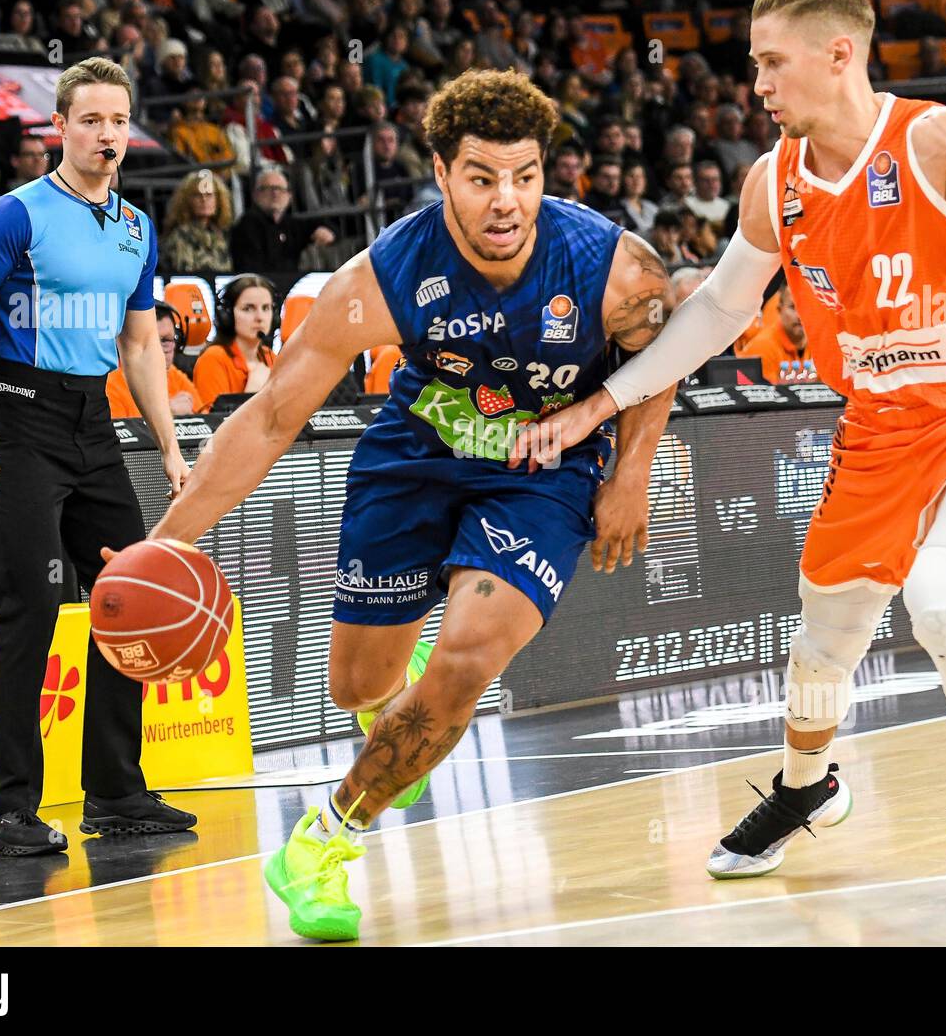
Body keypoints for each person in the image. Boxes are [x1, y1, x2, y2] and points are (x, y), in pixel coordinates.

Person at [513, 0, 946, 912]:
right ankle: (805, 787)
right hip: (876, 438)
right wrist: (596, 407)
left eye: (773, 63)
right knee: (820, 650)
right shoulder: (770, 184)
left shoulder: (937, 138)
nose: (759, 84)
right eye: (754, 65)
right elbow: (713, 316)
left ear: (838, 53)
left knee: (941, 603)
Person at [119, 69, 676, 941]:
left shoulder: (614, 267)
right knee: (360, 684)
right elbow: (268, 418)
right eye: (482, 177)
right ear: (440, 170)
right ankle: (406, 710)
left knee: (467, 658)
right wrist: (162, 550)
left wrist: (633, 468)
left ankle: (322, 840)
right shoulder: (382, 277)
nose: (506, 201)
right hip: (417, 450)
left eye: (525, 176)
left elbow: (661, 353)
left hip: (543, 468)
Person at [0, 56, 195, 858]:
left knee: (132, 598)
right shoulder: (16, 214)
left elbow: (141, 344)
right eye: (91, 120)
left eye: (118, 121)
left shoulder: (138, 227)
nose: (107, 134)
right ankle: (12, 810)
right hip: (19, 420)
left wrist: (170, 447)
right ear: (61, 128)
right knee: (32, 609)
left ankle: (115, 792)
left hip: (92, 423)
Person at [191, 273, 278, 411]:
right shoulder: (213, 359)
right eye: (248, 308)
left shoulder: (270, 357)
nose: (260, 317)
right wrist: (252, 393)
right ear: (227, 315)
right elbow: (213, 425)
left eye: (266, 308)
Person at [106, 304, 201, 417]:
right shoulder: (111, 385)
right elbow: (120, 432)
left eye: (170, 339)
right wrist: (168, 413)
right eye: (156, 340)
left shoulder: (175, 376)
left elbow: (208, 421)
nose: (166, 348)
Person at [160, 170, 233, 272]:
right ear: (186, 200)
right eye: (197, 195)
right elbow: (185, 272)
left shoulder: (223, 234)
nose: (204, 199)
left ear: (218, 199)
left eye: (209, 194)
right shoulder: (179, 235)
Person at [738, 282, 806, 382]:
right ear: (779, 310)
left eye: (806, 307)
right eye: (793, 307)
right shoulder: (761, 348)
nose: (800, 316)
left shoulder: (821, 343)